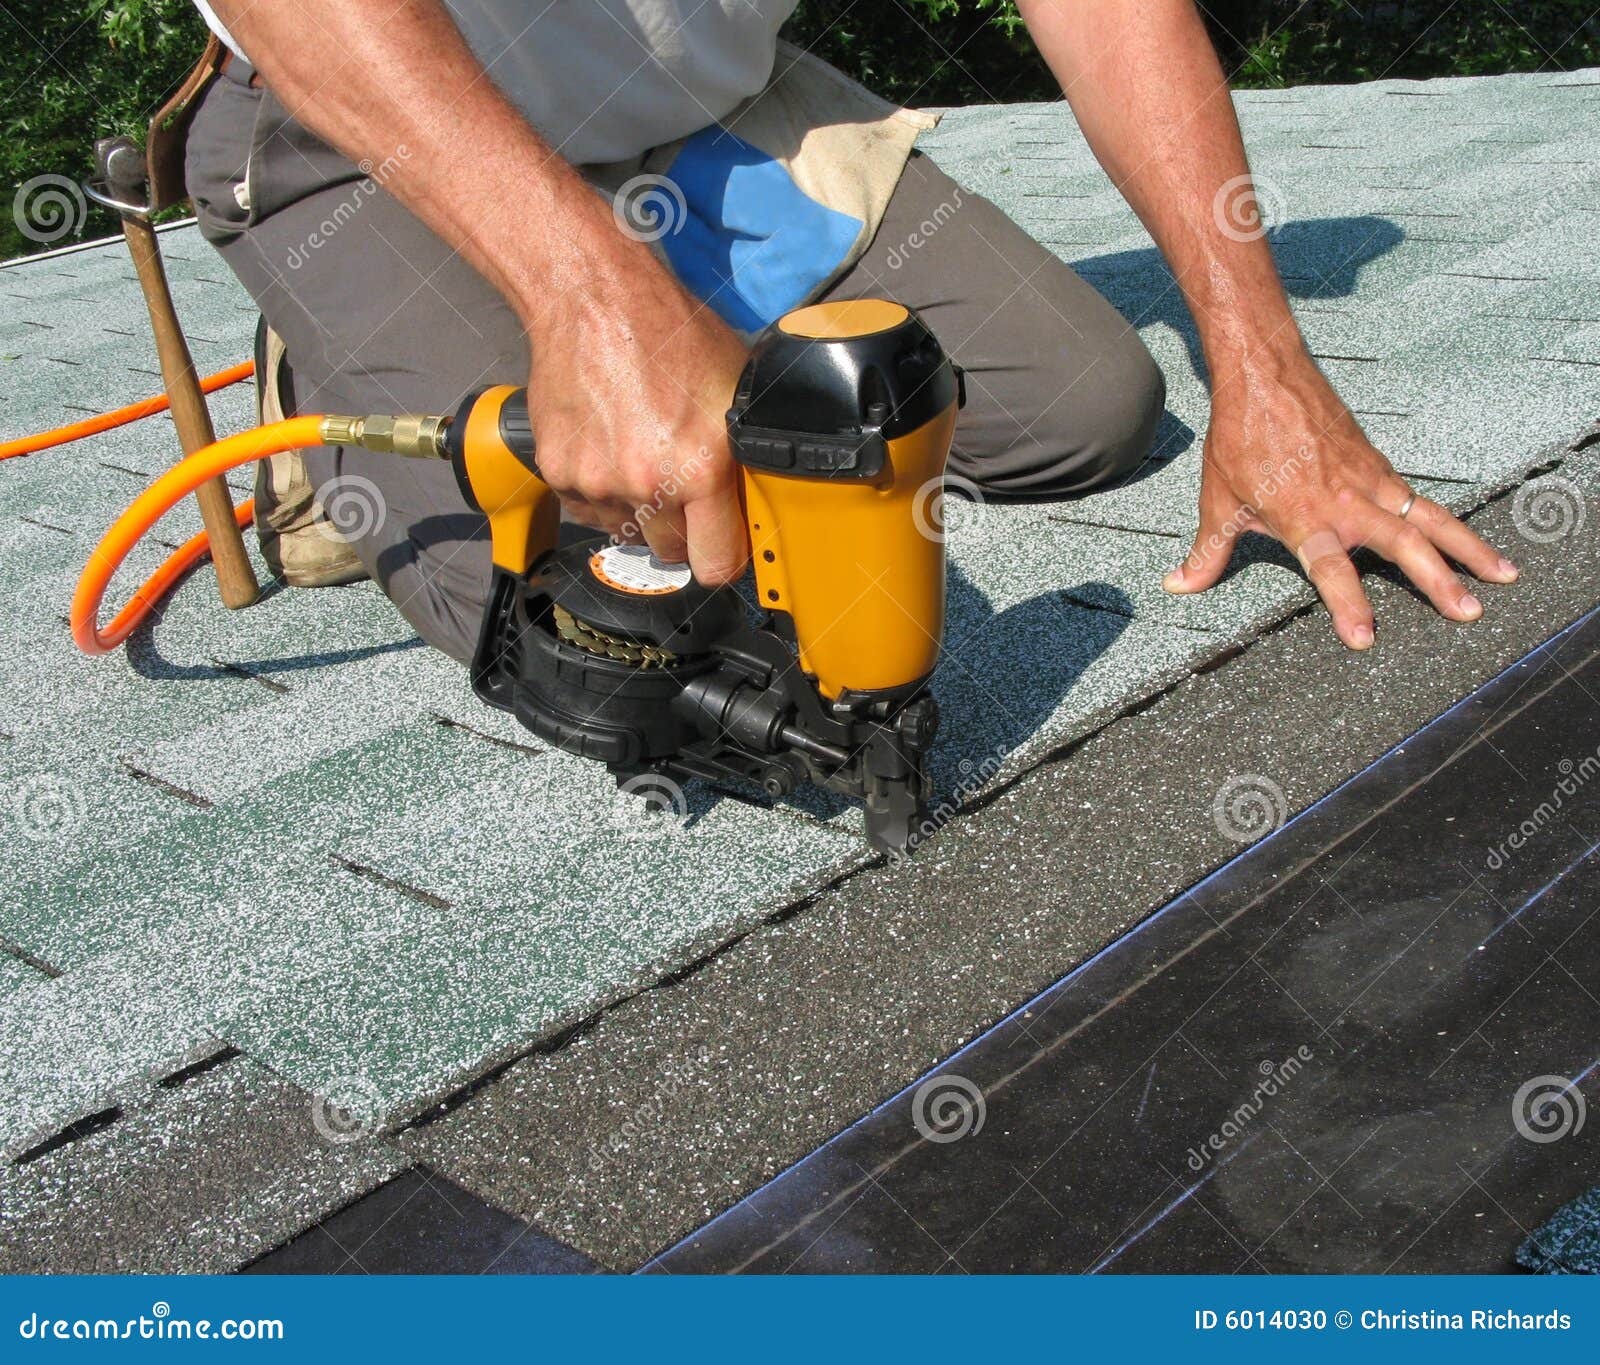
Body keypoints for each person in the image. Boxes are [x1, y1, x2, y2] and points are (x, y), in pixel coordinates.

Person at [185, 0, 1517, 664]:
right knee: (615, 625)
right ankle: (338, 360)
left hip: (693, 117)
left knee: (1089, 408)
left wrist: (1262, 364)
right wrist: (588, 301)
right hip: (378, 130)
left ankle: (656, 286)